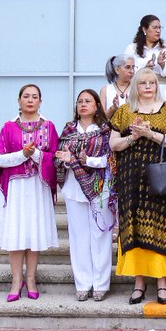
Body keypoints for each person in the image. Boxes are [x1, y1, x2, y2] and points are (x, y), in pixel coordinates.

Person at [109, 67, 166, 305]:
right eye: (143, 83)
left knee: (160, 227)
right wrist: (133, 137)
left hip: (158, 179)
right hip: (131, 178)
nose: (148, 87)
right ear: (136, 87)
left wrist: (149, 133)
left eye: (152, 83)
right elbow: (113, 144)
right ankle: (138, 283)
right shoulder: (124, 111)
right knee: (134, 227)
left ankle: (162, 282)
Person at [0, 83, 59, 302]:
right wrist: (22, 154)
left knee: (33, 232)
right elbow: (0, 159)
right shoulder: (8, 127)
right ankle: (15, 281)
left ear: (40, 101)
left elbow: (55, 158)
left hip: (38, 186)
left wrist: (36, 154)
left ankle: (30, 280)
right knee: (15, 232)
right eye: (26, 96)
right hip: (15, 187)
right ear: (19, 100)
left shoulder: (49, 126)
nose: (30, 100)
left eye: (34, 96)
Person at [54, 89, 115, 302]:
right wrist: (65, 160)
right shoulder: (69, 130)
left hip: (100, 187)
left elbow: (110, 159)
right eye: (80, 101)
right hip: (74, 187)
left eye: (88, 101)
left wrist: (86, 160)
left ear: (97, 106)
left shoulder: (105, 131)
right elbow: (58, 158)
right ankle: (82, 283)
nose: (83, 104)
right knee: (79, 236)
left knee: (100, 235)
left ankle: (101, 284)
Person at [124, 13, 166, 85]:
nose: (158, 31)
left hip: (162, 87)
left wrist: (163, 64)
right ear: (144, 29)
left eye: (160, 28)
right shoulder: (132, 48)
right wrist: (144, 70)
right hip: (138, 87)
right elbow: (125, 70)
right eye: (154, 27)